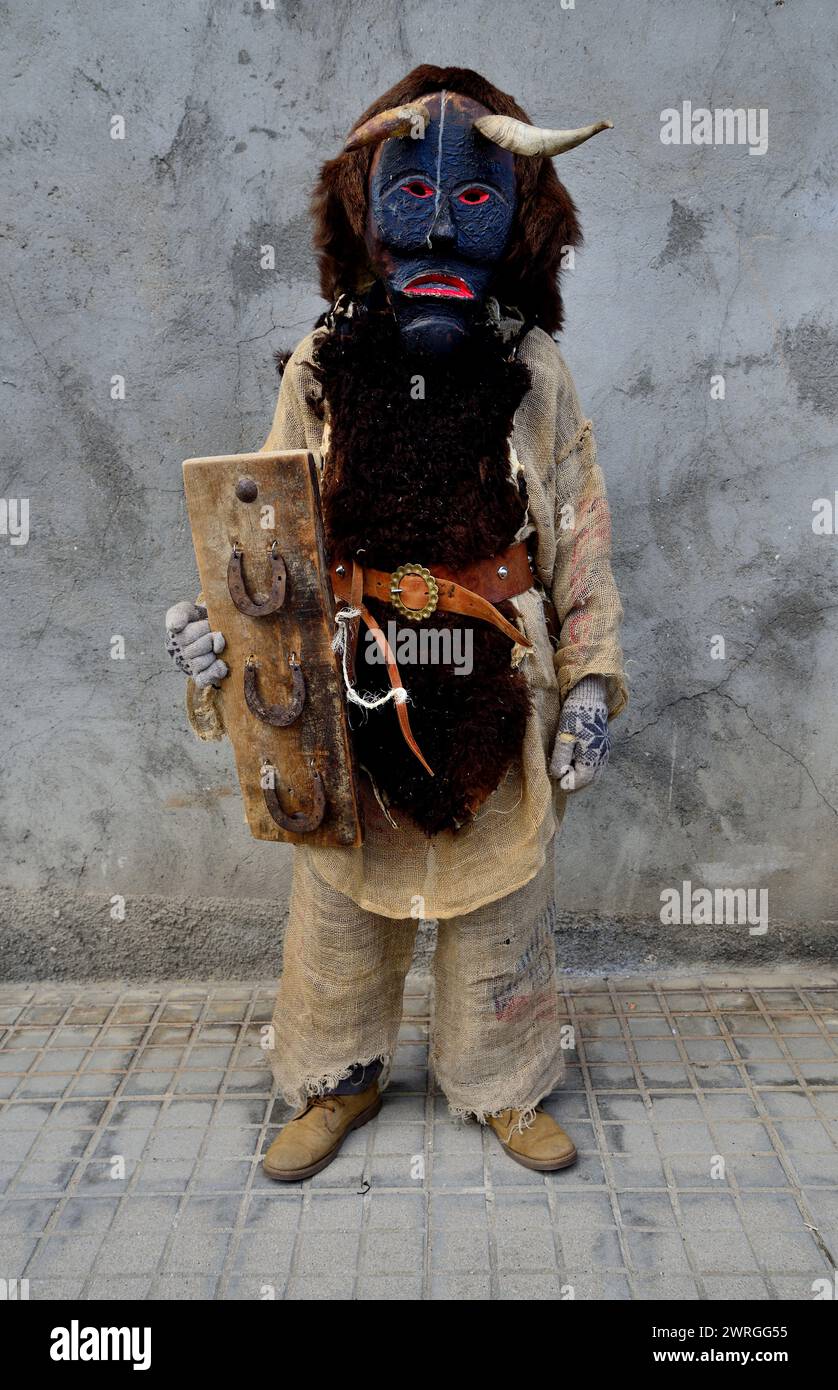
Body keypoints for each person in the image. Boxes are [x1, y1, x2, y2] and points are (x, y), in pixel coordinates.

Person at [165, 65, 627, 1180]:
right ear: (362, 209)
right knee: (338, 903)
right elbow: (264, 517)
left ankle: (503, 1079)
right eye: (408, 192)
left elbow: (578, 532)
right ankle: (337, 1075)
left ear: (520, 219)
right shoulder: (323, 362)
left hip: (491, 673)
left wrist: (595, 681)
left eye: (475, 197)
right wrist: (220, 640)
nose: (437, 220)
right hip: (349, 674)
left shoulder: (535, 368)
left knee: (498, 897)